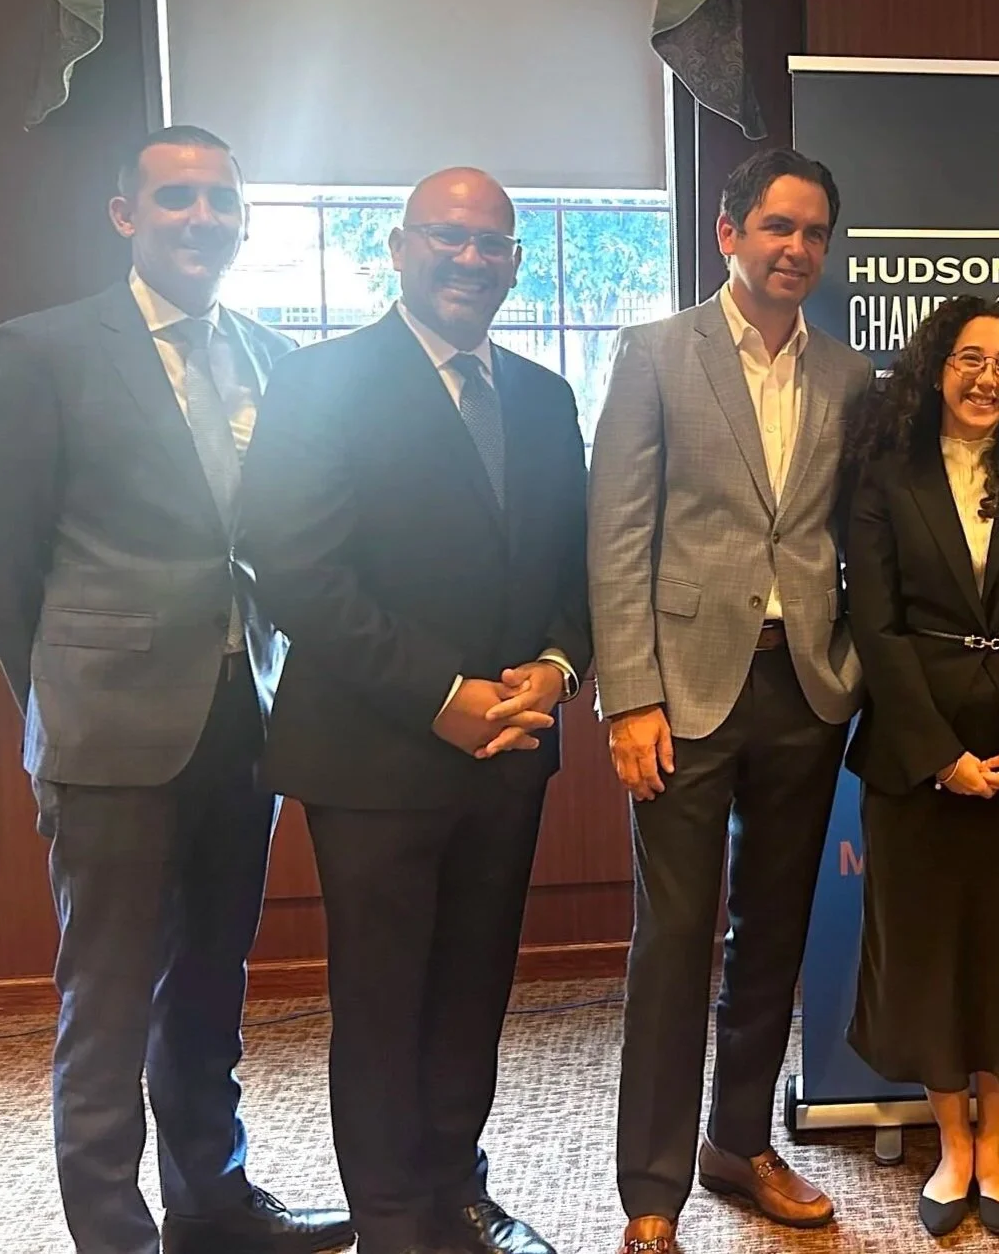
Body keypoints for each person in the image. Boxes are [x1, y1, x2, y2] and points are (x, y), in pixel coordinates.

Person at [0, 126, 352, 1254]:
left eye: (221, 202)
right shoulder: (41, 350)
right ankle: (113, 1235)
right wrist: (64, 680)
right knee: (109, 999)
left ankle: (212, 1207)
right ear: (125, 214)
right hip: (106, 732)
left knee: (210, 983)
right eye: (176, 200)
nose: (201, 220)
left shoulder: (268, 355)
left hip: (241, 722)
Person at [234, 168, 590, 1254]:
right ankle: (392, 1220)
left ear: (515, 263)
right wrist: (440, 694)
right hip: (375, 755)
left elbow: (573, 562)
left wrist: (559, 664)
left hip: (508, 756)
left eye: (492, 246)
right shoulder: (320, 380)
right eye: (448, 239)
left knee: (475, 988)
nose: (470, 261)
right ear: (397, 247)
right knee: (385, 1001)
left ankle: (454, 1189)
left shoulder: (542, 394)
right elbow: (293, 564)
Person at [589, 147, 873, 1254]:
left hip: (800, 688)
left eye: (812, 232)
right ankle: (651, 1187)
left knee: (772, 931)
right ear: (728, 234)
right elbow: (616, 534)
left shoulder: (847, 377)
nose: (794, 248)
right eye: (775, 227)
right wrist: (627, 700)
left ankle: (737, 1141)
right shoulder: (655, 354)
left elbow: (854, 539)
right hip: (681, 695)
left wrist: (848, 670)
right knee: (672, 937)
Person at [843, 296, 999, 1239]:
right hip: (919, 757)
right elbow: (875, 624)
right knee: (928, 956)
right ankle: (951, 1144)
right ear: (934, 368)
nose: (986, 378)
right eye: (967, 358)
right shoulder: (884, 472)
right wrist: (938, 754)